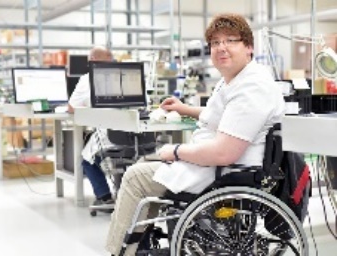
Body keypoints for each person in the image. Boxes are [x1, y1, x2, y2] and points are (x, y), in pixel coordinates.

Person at [106, 13, 285, 255]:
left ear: (249, 47)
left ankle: (116, 251)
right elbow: (221, 115)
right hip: (220, 166)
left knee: (134, 177)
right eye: (215, 43)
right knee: (145, 165)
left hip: (226, 173)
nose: (221, 48)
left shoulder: (252, 88)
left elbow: (223, 153)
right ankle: (138, 241)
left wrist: (176, 151)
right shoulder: (237, 79)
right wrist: (183, 108)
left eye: (230, 40)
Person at [68, 46, 115, 207]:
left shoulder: (87, 79)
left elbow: (72, 108)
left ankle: (104, 196)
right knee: (127, 157)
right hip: (133, 136)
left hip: (107, 135)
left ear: (92, 60)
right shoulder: (123, 76)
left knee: (87, 161)